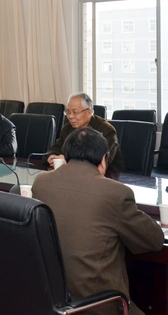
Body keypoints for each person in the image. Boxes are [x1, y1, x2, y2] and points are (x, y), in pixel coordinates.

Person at [32, 127, 163, 315]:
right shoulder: (116, 193)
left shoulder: (41, 182)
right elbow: (155, 240)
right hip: (99, 305)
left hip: (53, 301)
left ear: (66, 155)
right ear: (103, 159)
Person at [46, 92, 125, 173]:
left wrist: (68, 161)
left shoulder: (106, 130)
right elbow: (56, 148)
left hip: (109, 174)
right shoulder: (68, 128)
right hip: (74, 173)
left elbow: (102, 160)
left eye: (75, 112)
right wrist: (52, 156)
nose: (70, 116)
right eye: (68, 112)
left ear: (89, 113)